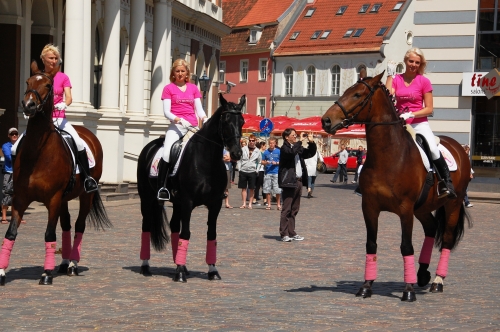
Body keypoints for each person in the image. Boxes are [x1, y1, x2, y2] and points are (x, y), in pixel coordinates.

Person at [11, 44, 97, 193]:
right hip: (40, 120)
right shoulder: (38, 78)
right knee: (14, 148)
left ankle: (88, 179)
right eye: (51, 58)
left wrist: (64, 104)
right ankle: (14, 180)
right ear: (43, 59)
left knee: (79, 143)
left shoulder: (63, 77)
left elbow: (69, 97)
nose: (54, 61)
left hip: (59, 119)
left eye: (56, 58)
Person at [386, 48, 456, 198]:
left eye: (417, 62)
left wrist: (411, 113)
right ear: (405, 61)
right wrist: (389, 76)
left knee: (432, 149)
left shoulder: (424, 81)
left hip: (419, 123)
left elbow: (429, 109)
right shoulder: (397, 79)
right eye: (411, 61)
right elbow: (388, 95)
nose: (413, 65)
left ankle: (447, 183)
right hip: (399, 123)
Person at [157, 59, 208, 200]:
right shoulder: (168, 88)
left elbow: (199, 109)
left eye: (182, 71)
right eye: (177, 71)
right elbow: (167, 112)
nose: (180, 73)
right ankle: (163, 187)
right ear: (173, 73)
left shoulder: (193, 88)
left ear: (187, 73)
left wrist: (205, 119)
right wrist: (179, 120)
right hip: (177, 126)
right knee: (167, 152)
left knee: (205, 150)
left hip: (192, 126)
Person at [278, 129, 316, 242]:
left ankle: (291, 232)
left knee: (294, 209)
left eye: (296, 135)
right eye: (293, 135)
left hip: (298, 181)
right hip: (288, 181)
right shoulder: (284, 148)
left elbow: (309, 153)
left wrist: (311, 142)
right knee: (287, 209)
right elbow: (290, 153)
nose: (295, 136)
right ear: (286, 137)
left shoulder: (297, 147)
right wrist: (300, 141)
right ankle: (284, 233)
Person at [1, 128, 25, 224]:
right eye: (12, 134)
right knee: (7, 194)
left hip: (20, 173)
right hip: (10, 172)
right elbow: (9, 157)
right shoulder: (6, 146)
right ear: (9, 135)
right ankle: (4, 217)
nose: (14, 135)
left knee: (20, 195)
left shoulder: (22, 145)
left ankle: (18, 216)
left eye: (15, 133)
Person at [237, 134, 261, 209]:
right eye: (250, 140)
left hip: (252, 171)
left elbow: (259, 161)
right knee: (243, 188)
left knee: (251, 188)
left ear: (255, 141)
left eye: (253, 141)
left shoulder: (257, 151)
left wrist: (257, 170)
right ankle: (244, 203)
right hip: (243, 170)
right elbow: (239, 159)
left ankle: (250, 204)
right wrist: (239, 168)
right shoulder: (243, 149)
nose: (251, 142)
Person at [262, 138, 282, 210]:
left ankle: (278, 204)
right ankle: (269, 204)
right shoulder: (266, 152)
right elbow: (262, 161)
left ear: (275, 143)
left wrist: (276, 163)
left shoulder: (278, 151)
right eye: (270, 143)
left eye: (273, 143)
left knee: (277, 190)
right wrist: (265, 162)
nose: (271, 144)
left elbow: (282, 162)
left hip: (276, 172)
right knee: (267, 189)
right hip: (268, 172)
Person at [253, 141, 267, 205]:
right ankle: (254, 199)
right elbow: (259, 161)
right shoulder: (259, 152)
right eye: (265, 146)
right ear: (262, 146)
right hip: (259, 170)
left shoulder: (264, 152)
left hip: (263, 170)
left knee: (264, 186)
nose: (265, 147)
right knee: (258, 186)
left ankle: (265, 200)